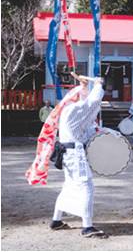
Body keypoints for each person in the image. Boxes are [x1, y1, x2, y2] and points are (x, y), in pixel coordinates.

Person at [26, 74, 108, 238]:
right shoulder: (72, 111)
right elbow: (91, 104)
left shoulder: (69, 112)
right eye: (81, 94)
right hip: (74, 154)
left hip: (71, 154)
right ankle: (87, 227)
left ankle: (56, 220)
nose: (83, 98)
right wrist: (99, 85)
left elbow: (89, 122)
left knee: (69, 187)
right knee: (86, 186)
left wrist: (85, 87)